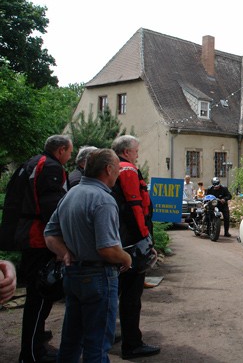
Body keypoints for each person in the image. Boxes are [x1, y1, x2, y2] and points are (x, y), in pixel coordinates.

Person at [44, 149, 132, 361]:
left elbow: (50, 234)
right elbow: (107, 249)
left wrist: (65, 253)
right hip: (98, 276)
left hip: (73, 275)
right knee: (97, 344)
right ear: (108, 169)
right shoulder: (103, 199)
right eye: (118, 169)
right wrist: (126, 258)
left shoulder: (71, 194)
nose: (119, 173)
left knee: (71, 341)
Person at [17, 134, 73, 363]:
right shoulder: (51, 167)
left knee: (39, 298)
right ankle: (30, 354)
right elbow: (53, 210)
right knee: (40, 297)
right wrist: (63, 244)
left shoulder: (32, 162)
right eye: (69, 151)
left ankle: (36, 347)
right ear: (60, 150)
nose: (70, 156)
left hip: (29, 236)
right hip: (39, 240)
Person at [111, 135, 160, 360]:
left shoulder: (115, 169)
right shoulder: (128, 170)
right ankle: (132, 345)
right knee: (131, 296)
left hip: (120, 239)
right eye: (137, 150)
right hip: (131, 242)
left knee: (116, 293)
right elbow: (134, 206)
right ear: (127, 151)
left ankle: (111, 335)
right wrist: (145, 238)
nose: (138, 154)